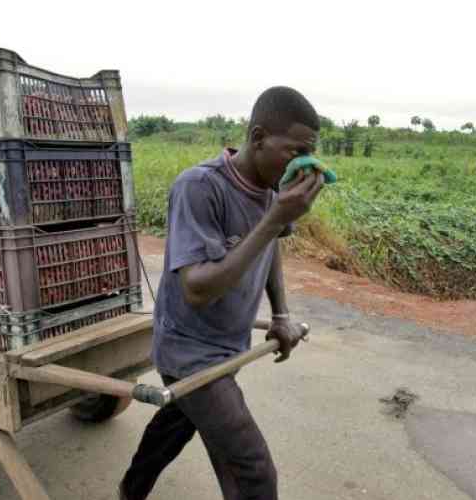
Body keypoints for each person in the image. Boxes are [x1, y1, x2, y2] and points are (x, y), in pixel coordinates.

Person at [119, 86, 325, 500]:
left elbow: (272, 250)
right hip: (189, 352)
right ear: (258, 137)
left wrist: (281, 314)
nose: (302, 163)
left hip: (228, 344)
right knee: (252, 471)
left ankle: (130, 491)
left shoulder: (271, 190)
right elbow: (196, 290)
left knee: (176, 424)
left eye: (310, 154)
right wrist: (274, 218)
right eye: (294, 150)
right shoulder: (200, 187)